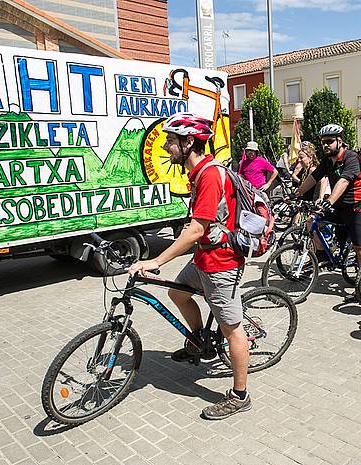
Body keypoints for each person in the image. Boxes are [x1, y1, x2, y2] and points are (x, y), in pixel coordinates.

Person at [127, 113, 251, 420]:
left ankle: (240, 395)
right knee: (179, 293)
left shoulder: (209, 176)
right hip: (204, 257)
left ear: (189, 143)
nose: (167, 146)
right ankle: (199, 341)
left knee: (233, 329)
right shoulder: (196, 174)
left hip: (222, 263)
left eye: (171, 141)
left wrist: (156, 260)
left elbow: (196, 230)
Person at [294, 123, 361, 303]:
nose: (325, 145)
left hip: (359, 207)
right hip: (340, 207)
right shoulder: (327, 161)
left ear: (340, 141)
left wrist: (328, 201)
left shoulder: (351, 157)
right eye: (323, 142)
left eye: (329, 141)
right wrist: (296, 193)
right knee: (312, 220)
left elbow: (344, 181)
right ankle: (324, 256)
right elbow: (313, 178)